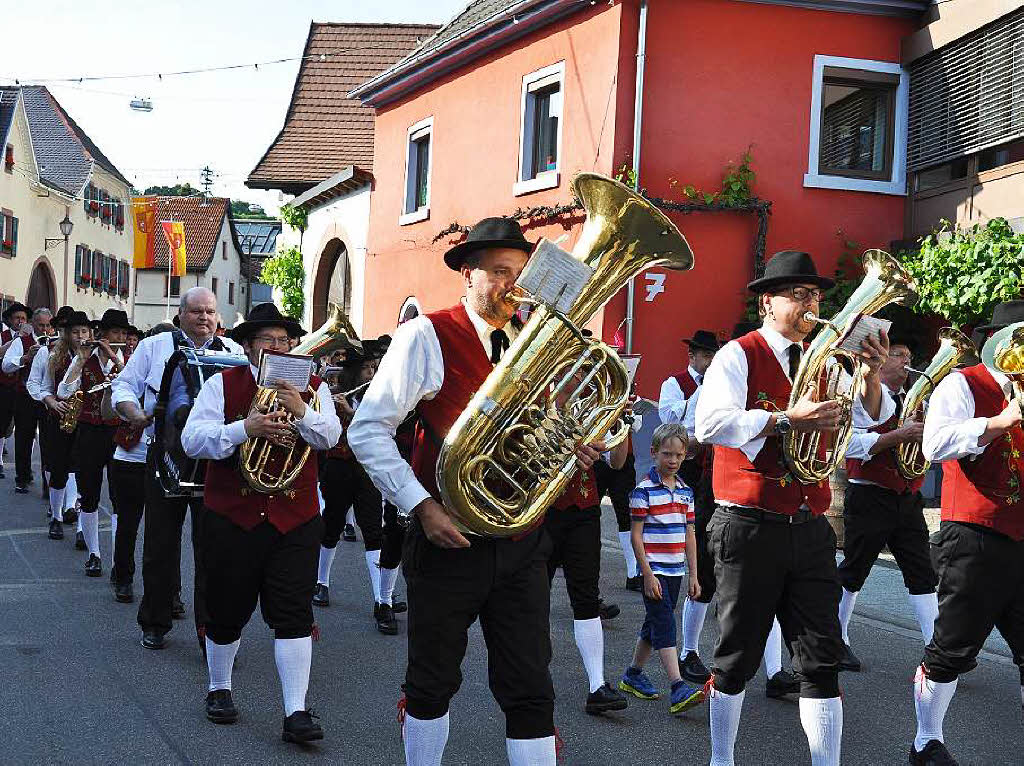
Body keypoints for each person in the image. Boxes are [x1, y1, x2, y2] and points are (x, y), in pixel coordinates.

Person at [349, 217, 586, 765]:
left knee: (531, 689)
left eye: (521, 272)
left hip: (523, 541)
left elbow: (542, 428)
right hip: (446, 536)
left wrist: (572, 443)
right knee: (432, 683)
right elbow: (366, 429)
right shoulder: (426, 334)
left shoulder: (536, 340)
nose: (514, 284)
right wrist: (421, 506)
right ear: (468, 273)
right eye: (501, 272)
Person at [696, 250, 892, 766]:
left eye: (815, 297)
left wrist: (870, 375)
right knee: (737, 657)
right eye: (800, 296)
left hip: (808, 527)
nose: (812, 306)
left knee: (821, 659)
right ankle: (722, 759)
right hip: (747, 523)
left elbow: (861, 430)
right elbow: (709, 424)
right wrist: (785, 419)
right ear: (768, 303)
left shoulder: (827, 361)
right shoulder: (738, 354)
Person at [181, 301, 341, 743]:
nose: (280, 347)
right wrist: (244, 429)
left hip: (296, 517)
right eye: (268, 340)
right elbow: (192, 441)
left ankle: (296, 712)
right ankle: (219, 687)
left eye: (285, 340)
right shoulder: (222, 385)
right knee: (227, 607)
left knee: (293, 613)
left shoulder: (310, 386)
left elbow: (330, 436)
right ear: (249, 347)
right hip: (233, 516)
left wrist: (302, 410)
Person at [908, 300, 1024, 766]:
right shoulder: (963, 383)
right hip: (974, 534)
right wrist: (1001, 421)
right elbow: (934, 443)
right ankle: (925, 741)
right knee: (953, 647)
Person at [110, 287, 243, 650]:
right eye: (197, 311)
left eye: (210, 312)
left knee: (212, 548)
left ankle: (210, 632)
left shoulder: (234, 353)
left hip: (217, 461)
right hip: (165, 455)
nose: (204, 318)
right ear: (180, 316)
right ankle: (155, 620)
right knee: (160, 543)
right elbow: (123, 386)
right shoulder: (155, 347)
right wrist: (135, 414)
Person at [838, 331, 938, 672]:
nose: (906, 360)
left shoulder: (917, 399)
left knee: (922, 572)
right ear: (880, 363)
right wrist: (898, 435)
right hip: (869, 493)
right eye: (898, 354)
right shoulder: (858, 396)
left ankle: (936, 648)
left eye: (909, 354)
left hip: (906, 497)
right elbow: (846, 446)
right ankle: (838, 638)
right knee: (855, 569)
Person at [543, 372, 630, 715]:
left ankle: (597, 685)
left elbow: (618, 462)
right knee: (534, 594)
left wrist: (620, 418)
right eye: (577, 371)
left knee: (585, 596)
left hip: (583, 509)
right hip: (541, 511)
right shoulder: (539, 401)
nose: (583, 378)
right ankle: (531, 676)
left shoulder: (594, 407)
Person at [314, 343, 407, 635]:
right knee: (331, 526)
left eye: (373, 367)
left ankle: (382, 600)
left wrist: (352, 412)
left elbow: (379, 433)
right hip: (338, 467)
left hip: (366, 470)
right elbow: (326, 435)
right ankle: (321, 582)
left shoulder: (375, 398)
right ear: (354, 371)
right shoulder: (330, 394)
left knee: (373, 531)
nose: (373, 372)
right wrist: (339, 409)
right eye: (367, 368)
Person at [619, 422, 704, 715]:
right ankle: (678, 685)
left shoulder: (685, 492)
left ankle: (632, 674)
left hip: (675, 571)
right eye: (667, 454)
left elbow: (690, 535)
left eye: (679, 456)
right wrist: (647, 573)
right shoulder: (643, 491)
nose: (673, 461)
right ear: (654, 453)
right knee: (665, 623)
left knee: (652, 624)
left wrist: (693, 574)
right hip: (654, 571)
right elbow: (636, 536)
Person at [660, 329, 722, 684]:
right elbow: (671, 417)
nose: (711, 362)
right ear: (694, 357)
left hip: (708, 458)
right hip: (682, 457)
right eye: (706, 357)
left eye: (714, 357)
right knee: (685, 533)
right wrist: (703, 388)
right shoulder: (675, 382)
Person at [59, 309, 128, 577]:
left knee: (119, 498)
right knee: (89, 494)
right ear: (103, 334)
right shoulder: (85, 360)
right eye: (115, 333)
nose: (120, 337)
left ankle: (116, 560)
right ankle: (94, 554)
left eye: (123, 333)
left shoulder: (127, 359)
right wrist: (80, 360)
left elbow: (136, 384)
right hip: (89, 432)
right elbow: (63, 391)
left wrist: (112, 356)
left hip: (119, 434)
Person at [36, 310, 90, 542]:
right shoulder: (53, 355)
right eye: (76, 332)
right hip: (61, 416)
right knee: (58, 469)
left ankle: (81, 523)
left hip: (87, 420)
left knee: (82, 471)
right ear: (67, 334)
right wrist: (51, 403)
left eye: (84, 331)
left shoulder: (95, 354)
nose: (80, 336)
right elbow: (43, 386)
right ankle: (56, 517)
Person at [3, 307, 54, 493]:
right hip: (24, 396)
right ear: (33, 324)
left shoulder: (55, 343)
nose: (45, 329)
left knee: (48, 442)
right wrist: (25, 357)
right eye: (41, 325)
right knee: (24, 438)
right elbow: (6, 366)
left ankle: (49, 483)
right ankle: (22, 478)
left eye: (48, 325)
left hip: (47, 398)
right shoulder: (21, 341)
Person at [0, 301, 31, 480]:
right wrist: (16, 338)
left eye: (23, 318)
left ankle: (26, 469)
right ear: (11, 320)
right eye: (17, 318)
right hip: (4, 385)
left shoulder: (31, 338)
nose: (20, 321)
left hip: (22, 388)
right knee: (2, 424)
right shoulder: (3, 335)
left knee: (23, 429)